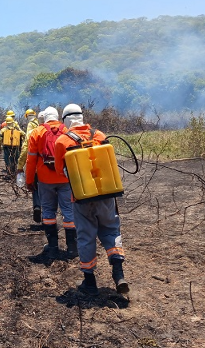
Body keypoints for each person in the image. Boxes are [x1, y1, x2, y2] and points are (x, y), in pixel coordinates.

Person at [53, 103, 129, 296]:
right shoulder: (100, 135)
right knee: (111, 231)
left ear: (66, 121)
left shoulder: (62, 141)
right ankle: (119, 274)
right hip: (106, 195)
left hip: (81, 199)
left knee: (86, 237)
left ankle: (89, 281)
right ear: (81, 116)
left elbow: (59, 171)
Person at [25, 106, 77, 259]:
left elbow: (31, 159)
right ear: (58, 117)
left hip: (44, 179)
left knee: (48, 212)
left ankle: (53, 247)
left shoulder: (37, 132)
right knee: (68, 211)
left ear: (45, 117)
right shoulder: (67, 130)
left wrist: (29, 181)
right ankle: (72, 248)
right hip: (65, 178)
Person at [17, 109, 41, 222]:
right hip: (51, 164)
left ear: (26, 116)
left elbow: (27, 146)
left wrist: (20, 165)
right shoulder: (42, 123)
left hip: (37, 164)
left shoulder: (31, 127)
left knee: (36, 186)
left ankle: (37, 206)